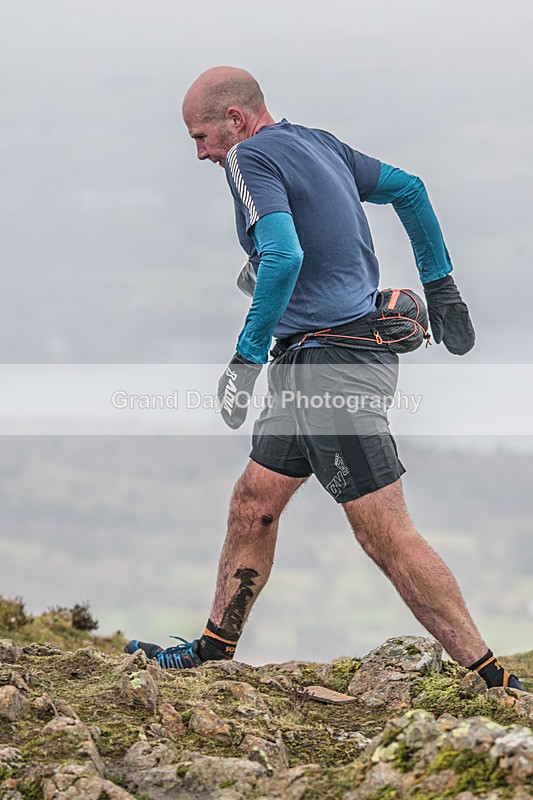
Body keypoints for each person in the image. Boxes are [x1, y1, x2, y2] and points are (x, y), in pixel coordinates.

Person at [126, 66, 525, 691]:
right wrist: (440, 285)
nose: (201, 153)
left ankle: (493, 678)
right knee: (253, 504)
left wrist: (245, 359)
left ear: (235, 120)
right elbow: (411, 190)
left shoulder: (249, 159)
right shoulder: (319, 144)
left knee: (384, 532)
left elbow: (284, 255)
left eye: (200, 136)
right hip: (319, 359)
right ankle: (213, 648)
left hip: (328, 367)